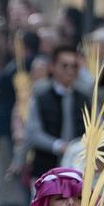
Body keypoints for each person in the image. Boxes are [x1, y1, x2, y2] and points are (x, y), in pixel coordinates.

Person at [27, 45, 89, 180]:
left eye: (74, 66)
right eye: (64, 66)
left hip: (77, 170)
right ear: (52, 67)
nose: (70, 71)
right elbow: (33, 133)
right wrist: (59, 146)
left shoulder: (84, 98)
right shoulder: (40, 95)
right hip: (45, 169)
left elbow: (97, 127)